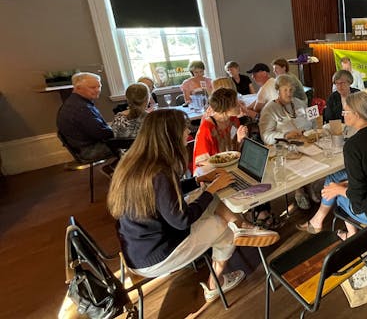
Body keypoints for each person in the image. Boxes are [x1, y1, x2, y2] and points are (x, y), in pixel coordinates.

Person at [107, 109, 278, 302]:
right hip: (156, 256)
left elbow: (165, 194)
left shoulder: (137, 162)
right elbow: (182, 221)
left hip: (137, 246)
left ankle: (244, 227)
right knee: (223, 225)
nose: (188, 135)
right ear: (170, 136)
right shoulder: (159, 173)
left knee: (209, 200)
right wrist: (211, 189)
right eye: (184, 131)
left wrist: (199, 181)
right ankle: (216, 283)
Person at [296, 92, 367, 238]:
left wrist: (338, 190)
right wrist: (342, 185)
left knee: (336, 195)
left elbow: (357, 198)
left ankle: (352, 237)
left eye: (345, 111)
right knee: (334, 183)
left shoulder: (353, 146)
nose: (342, 114)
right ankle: (321, 222)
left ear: (356, 114)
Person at [259, 74, 321, 210]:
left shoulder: (299, 103)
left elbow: (312, 121)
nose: (289, 93)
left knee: (320, 157)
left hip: (305, 142)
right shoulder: (270, 109)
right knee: (297, 161)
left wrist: (315, 131)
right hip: (284, 147)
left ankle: (310, 186)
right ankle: (298, 190)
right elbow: (266, 136)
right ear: (278, 90)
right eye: (285, 90)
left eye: (291, 90)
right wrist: (285, 135)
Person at [56, 72, 114, 161]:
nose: (97, 90)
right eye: (93, 87)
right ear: (78, 88)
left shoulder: (74, 102)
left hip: (84, 147)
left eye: (99, 86)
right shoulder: (81, 108)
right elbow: (102, 134)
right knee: (138, 143)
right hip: (89, 150)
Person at [193, 88, 248, 170]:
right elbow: (201, 162)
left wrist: (240, 139)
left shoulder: (233, 121)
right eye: (236, 104)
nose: (239, 105)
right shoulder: (207, 128)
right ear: (226, 109)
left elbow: (233, 151)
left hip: (231, 167)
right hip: (211, 172)